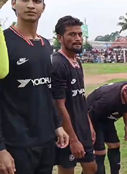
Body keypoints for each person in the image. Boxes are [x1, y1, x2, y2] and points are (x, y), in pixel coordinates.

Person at [0, 0, 69, 174]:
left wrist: (57, 125)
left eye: (37, 1)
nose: (31, 5)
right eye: (25, 0)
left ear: (43, 8)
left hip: (46, 140)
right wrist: (0, 149)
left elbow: (47, 91)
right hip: (15, 143)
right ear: (14, 3)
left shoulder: (46, 45)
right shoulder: (4, 42)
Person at [51, 16, 97, 174]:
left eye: (79, 34)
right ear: (60, 38)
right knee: (67, 170)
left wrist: (88, 124)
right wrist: (73, 139)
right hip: (68, 132)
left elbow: (80, 97)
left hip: (82, 127)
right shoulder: (57, 64)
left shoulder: (77, 62)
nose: (78, 38)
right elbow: (59, 105)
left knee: (92, 168)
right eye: (72, 34)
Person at [86, 80, 127, 174]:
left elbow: (125, 108)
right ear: (125, 91)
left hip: (106, 118)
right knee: (100, 152)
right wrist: (90, 129)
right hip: (92, 119)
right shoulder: (107, 100)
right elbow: (88, 113)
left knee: (115, 145)